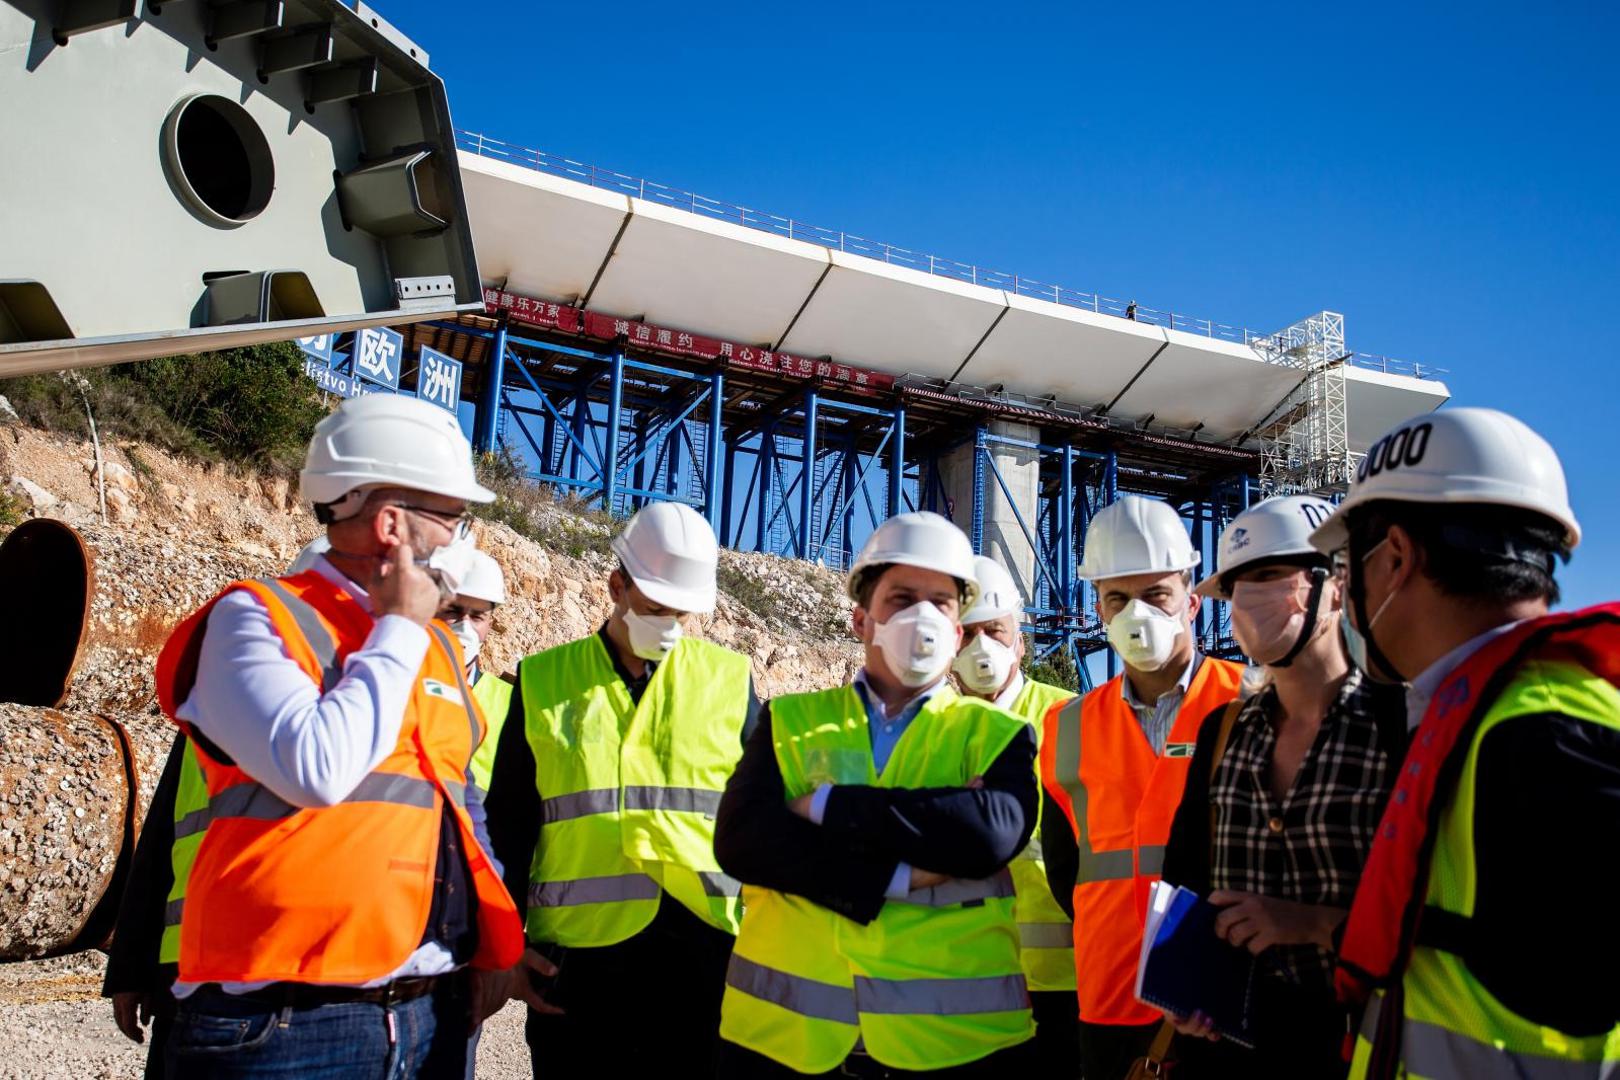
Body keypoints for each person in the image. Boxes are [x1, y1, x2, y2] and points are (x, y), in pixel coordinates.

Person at [150, 394, 529, 1079]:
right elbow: (317, 767)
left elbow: (458, 807)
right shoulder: (256, 620)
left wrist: (491, 949)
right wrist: (399, 629)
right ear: (391, 525)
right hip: (281, 1025)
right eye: (452, 518)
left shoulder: (438, 649)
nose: (459, 540)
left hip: (426, 1012)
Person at [1312, 408, 1620, 1079]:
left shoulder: (1543, 739)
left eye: (1348, 567)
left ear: (1394, 558)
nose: (1343, 594)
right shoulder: (1485, 718)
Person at [715, 510, 1040, 1078]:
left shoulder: (997, 733)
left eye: (940, 602)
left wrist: (825, 806)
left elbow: (987, 835)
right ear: (861, 619)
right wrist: (903, 872)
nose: (922, 616)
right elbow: (743, 843)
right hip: (787, 1042)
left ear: (958, 630)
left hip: (953, 1046)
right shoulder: (790, 719)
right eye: (902, 598)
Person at [101, 534, 438, 1077]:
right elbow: (158, 837)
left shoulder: (379, 719)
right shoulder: (224, 710)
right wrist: (130, 967)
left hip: (307, 970)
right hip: (192, 961)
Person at [483, 501, 761, 1076]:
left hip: (702, 961)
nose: (671, 626)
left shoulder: (730, 682)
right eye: (657, 609)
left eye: (683, 615)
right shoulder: (543, 681)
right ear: (616, 585)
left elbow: (759, 820)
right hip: (578, 968)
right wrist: (503, 949)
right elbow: (507, 829)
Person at [1159, 495, 1407, 1078]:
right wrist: (1182, 986)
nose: (1249, 598)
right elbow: (1187, 873)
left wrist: (1312, 923)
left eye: (1271, 576)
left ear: (1338, 586)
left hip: (1354, 1042)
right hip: (1226, 1041)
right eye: (1238, 584)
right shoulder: (1223, 732)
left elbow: (1428, 904)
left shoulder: (1400, 725)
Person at [1038, 494, 1245, 1080]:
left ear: (1191, 600)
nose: (1137, 614)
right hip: (1111, 991)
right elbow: (1065, 868)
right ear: (1098, 608)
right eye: (1117, 599)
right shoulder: (1067, 725)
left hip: (1221, 994)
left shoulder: (1247, 701)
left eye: (1156, 595)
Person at [950, 555, 1079, 1075]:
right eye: (970, 633)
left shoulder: (1070, 718)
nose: (984, 648)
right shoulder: (928, 727)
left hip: (1060, 985)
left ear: (1020, 641)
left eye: (997, 631)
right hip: (963, 979)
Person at [451, 550, 513, 797]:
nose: (463, 627)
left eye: (477, 617)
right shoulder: (395, 689)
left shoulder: (513, 705)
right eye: (453, 612)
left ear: (489, 624)